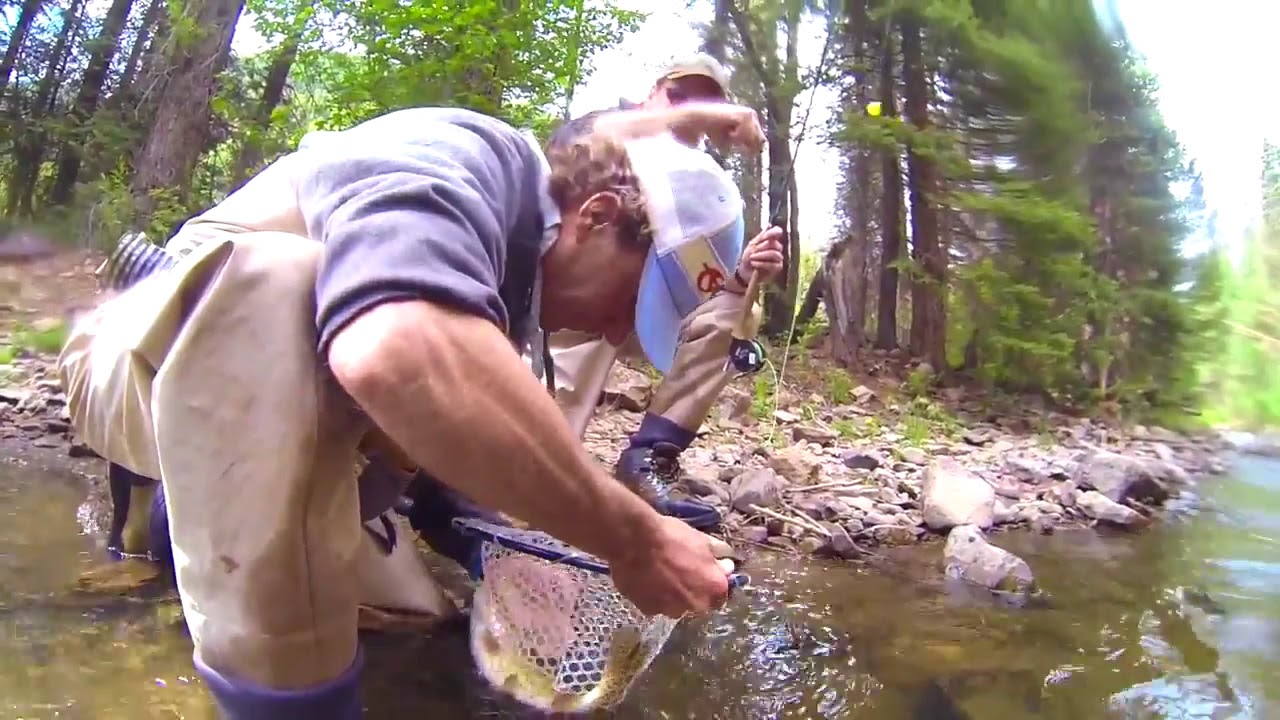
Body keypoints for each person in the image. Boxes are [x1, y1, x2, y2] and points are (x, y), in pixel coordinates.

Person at [59, 100, 774, 719]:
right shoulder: (463, 157)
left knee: (416, 615)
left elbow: (431, 448)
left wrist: (490, 550)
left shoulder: (510, 302)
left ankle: (179, 526)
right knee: (291, 288)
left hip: (280, 435)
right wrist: (634, 541)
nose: (618, 334)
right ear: (596, 216)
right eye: (630, 303)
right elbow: (394, 353)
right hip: (134, 360)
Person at [533, 52, 783, 531]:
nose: (694, 107)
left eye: (708, 100)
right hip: (579, 295)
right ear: (653, 93)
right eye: (681, 94)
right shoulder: (611, 129)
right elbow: (578, 146)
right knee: (541, 458)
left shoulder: (706, 183)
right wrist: (710, 115)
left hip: (650, 305)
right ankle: (518, 475)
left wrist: (743, 274)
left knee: (732, 316)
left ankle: (647, 459)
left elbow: (703, 290)